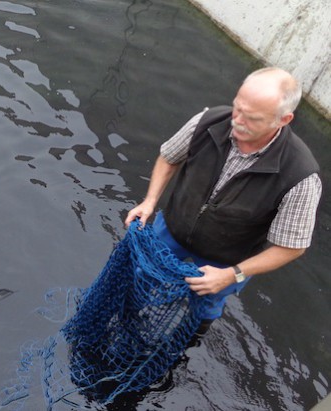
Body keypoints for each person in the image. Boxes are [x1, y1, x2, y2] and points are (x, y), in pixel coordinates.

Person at [125, 67, 321, 333]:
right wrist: (149, 201)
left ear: (283, 119)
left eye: (251, 118)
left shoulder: (301, 175)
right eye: (237, 108)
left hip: (228, 260)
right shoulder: (207, 122)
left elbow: (291, 247)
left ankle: (187, 340)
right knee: (143, 275)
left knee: (206, 305)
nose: (237, 120)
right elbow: (168, 157)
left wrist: (232, 274)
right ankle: (128, 317)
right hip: (172, 229)